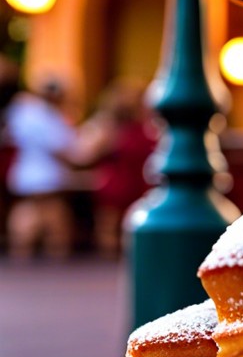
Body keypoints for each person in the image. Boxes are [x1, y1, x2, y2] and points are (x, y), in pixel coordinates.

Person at [74, 79, 158, 258]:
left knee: (110, 225)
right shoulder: (142, 128)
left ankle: (112, 259)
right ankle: (123, 256)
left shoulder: (110, 128)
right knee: (117, 225)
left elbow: (83, 155)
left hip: (119, 181)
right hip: (133, 182)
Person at [4, 77, 78, 259]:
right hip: (46, 175)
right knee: (52, 213)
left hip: (24, 172)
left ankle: (21, 251)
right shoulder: (47, 117)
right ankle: (55, 252)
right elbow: (61, 148)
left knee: (28, 209)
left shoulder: (22, 112)